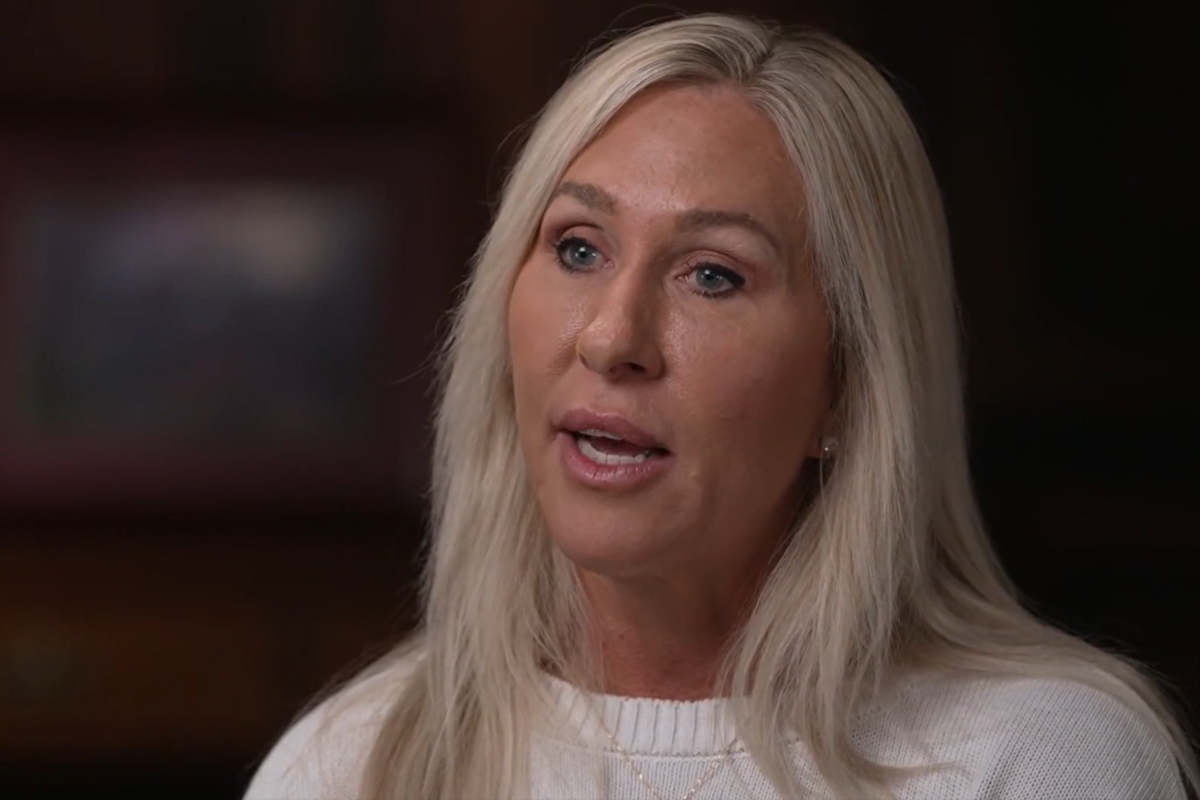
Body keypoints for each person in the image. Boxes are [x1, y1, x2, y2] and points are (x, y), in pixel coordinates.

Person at [244, 14, 1197, 800]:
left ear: (848, 385)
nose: (611, 337)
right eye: (578, 248)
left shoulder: (1042, 759)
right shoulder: (351, 765)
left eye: (712, 275)